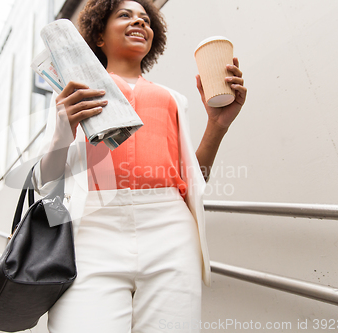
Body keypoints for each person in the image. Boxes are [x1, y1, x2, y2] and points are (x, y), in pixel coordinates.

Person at [31, 0, 247, 331]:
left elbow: (193, 178)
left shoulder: (175, 99)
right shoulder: (73, 93)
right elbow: (47, 182)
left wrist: (217, 125)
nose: (139, 22)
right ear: (99, 36)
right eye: (125, 15)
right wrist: (64, 129)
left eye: (146, 20)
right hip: (92, 229)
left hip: (170, 229)